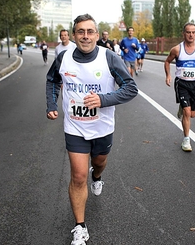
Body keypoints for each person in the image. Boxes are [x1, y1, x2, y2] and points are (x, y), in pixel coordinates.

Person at [46, 14, 138, 245]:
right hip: (74, 127)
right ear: (74, 35)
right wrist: (51, 104)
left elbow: (131, 88)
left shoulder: (109, 58)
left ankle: (97, 176)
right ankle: (80, 226)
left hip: (102, 128)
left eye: (90, 32)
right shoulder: (64, 57)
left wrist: (103, 100)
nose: (85, 36)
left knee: (98, 163)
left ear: (97, 35)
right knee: (78, 176)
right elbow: (52, 80)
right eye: (80, 32)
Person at [164, 22, 195, 152]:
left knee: (193, 114)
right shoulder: (177, 49)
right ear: (183, 33)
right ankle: (186, 140)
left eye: (193, 32)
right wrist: (168, 75)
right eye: (188, 32)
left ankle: (183, 106)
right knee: (187, 112)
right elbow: (167, 61)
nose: (191, 35)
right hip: (182, 83)